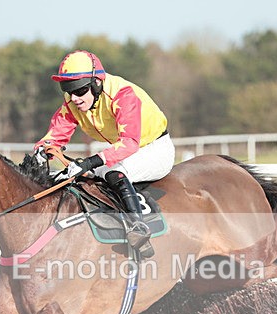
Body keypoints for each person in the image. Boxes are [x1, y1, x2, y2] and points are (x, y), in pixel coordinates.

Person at [34, 50, 175, 259]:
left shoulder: (123, 94)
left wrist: (91, 161)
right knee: (78, 176)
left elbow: (129, 142)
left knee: (113, 172)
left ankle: (139, 228)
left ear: (96, 83)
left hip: (155, 149)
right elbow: (56, 134)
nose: (74, 98)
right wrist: (41, 151)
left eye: (80, 90)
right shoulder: (74, 101)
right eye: (67, 89)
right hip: (127, 153)